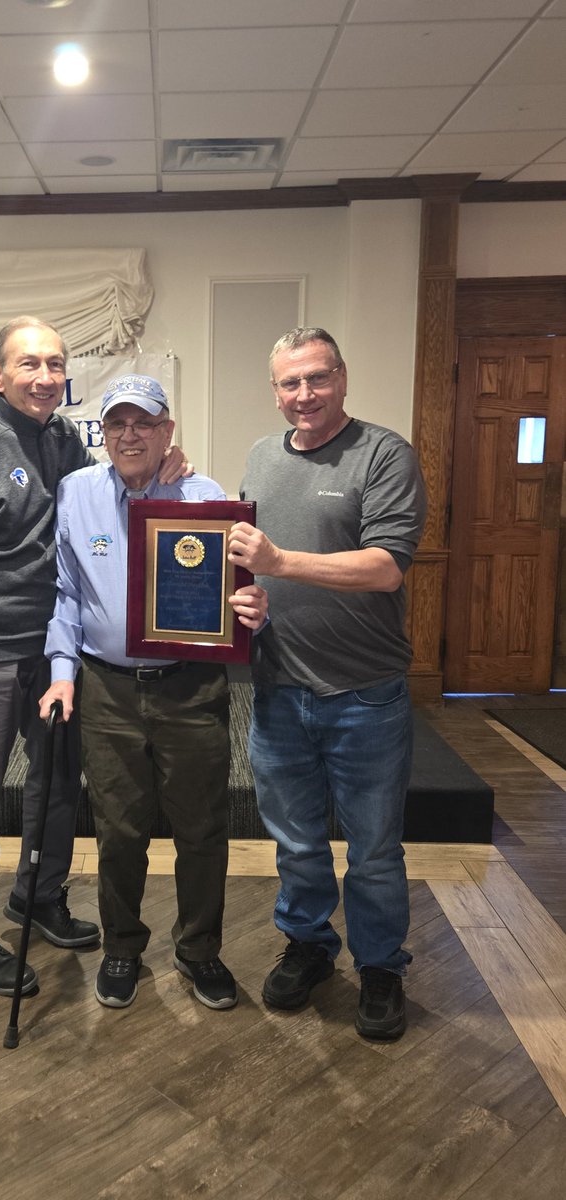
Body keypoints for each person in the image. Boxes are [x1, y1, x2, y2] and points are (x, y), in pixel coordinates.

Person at [0, 318, 187, 998]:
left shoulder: (63, 441)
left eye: (55, 364)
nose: (45, 376)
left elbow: (106, 498)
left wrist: (164, 470)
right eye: (29, 364)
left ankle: (38, 894)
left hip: (57, 653)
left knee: (57, 785)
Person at [40, 374, 267, 1010]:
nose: (130, 435)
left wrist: (254, 608)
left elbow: (237, 590)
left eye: (144, 423)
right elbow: (65, 592)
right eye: (117, 423)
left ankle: (200, 951)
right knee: (119, 831)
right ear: (103, 433)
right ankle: (121, 947)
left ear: (168, 431)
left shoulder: (203, 496)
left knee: (202, 829)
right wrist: (61, 673)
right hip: (105, 690)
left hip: (189, 688)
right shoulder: (76, 492)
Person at [227, 327, 426, 1040]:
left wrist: (279, 562)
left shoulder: (384, 454)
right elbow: (248, 566)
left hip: (364, 694)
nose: (304, 394)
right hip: (278, 689)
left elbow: (386, 567)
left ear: (342, 377)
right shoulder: (260, 457)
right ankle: (309, 943)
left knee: (373, 849)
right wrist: (248, 602)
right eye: (291, 382)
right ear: (275, 390)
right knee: (297, 843)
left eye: (317, 378)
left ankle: (380, 967)